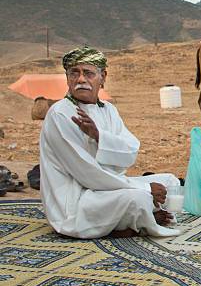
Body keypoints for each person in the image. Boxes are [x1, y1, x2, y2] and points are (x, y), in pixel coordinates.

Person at [39, 47, 181, 239]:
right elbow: (86, 173)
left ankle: (139, 217)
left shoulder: (108, 110)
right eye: (74, 73)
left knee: (169, 181)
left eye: (88, 73)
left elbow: (130, 151)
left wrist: (99, 136)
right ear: (67, 78)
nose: (81, 79)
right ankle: (136, 220)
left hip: (109, 188)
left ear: (102, 77)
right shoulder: (60, 114)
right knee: (138, 198)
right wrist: (146, 189)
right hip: (77, 200)